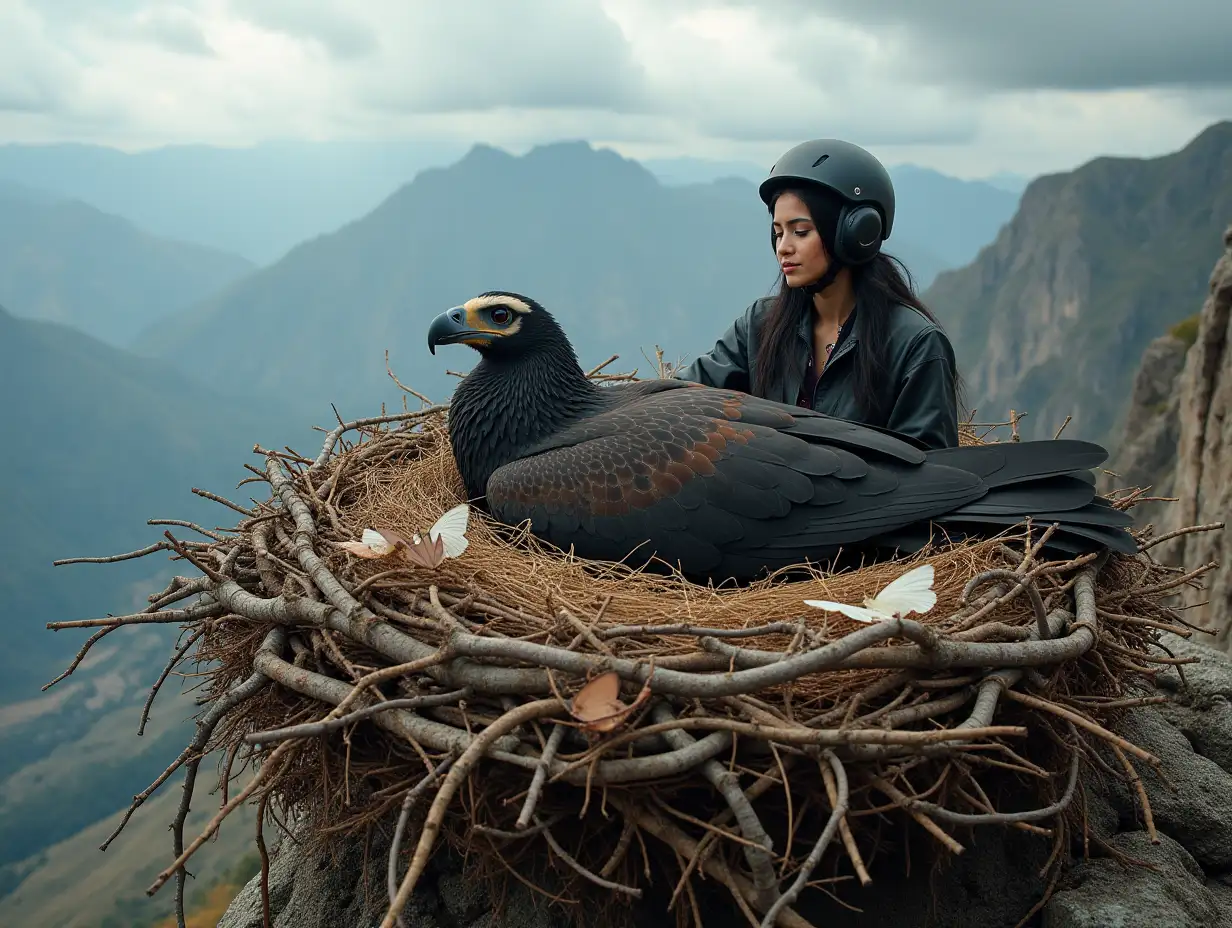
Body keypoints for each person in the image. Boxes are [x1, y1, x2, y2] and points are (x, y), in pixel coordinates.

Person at [676, 139, 961, 450]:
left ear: (856, 233)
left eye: (800, 231)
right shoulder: (759, 325)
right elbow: (682, 397)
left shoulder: (916, 345)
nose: (783, 246)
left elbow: (931, 473)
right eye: (778, 232)